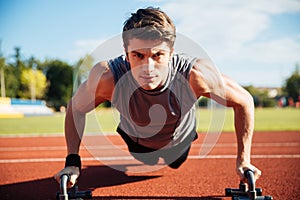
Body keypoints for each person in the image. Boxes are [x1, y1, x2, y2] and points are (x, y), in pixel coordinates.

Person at [54, 7, 261, 188]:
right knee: (149, 160)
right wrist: (72, 162)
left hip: (179, 142)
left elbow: (244, 101)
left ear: (171, 53)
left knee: (175, 162)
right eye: (138, 56)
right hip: (136, 141)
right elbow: (76, 107)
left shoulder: (195, 76)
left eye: (157, 55)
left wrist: (244, 160)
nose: (148, 67)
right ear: (126, 54)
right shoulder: (108, 77)